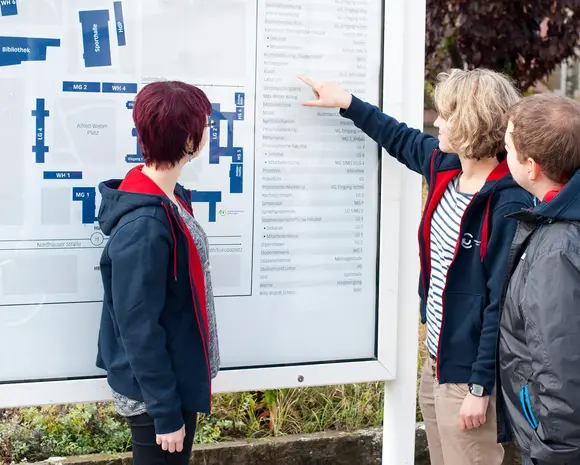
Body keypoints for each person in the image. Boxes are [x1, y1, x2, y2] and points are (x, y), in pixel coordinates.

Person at [297, 69, 534, 465]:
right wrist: (347, 103)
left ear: (473, 122)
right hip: (436, 361)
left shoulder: (507, 203)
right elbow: (400, 138)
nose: (437, 121)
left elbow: (500, 305)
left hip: (469, 378)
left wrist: (479, 388)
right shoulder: (445, 168)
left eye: (446, 114)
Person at [95, 80, 220, 465]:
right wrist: (164, 411)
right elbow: (137, 324)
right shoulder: (145, 224)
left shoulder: (168, 198)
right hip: (155, 393)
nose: (210, 132)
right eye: (205, 124)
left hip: (172, 378)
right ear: (187, 140)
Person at [498, 93, 580, 465]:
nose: (504, 154)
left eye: (508, 147)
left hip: (552, 447)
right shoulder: (556, 221)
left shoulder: (556, 249)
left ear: (531, 167)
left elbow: (558, 363)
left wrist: (553, 454)